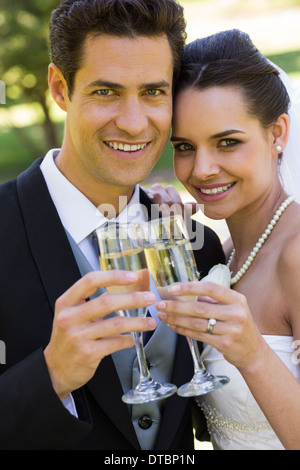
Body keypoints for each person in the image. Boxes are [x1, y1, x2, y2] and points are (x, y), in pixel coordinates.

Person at [0, 0, 226, 450]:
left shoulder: (198, 248)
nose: (133, 122)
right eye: (106, 92)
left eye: (153, 92)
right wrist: (51, 376)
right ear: (60, 88)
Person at [149, 30, 300, 450]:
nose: (201, 169)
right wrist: (172, 249)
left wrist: (253, 353)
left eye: (227, 142)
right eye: (184, 146)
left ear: (277, 133)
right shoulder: (228, 256)